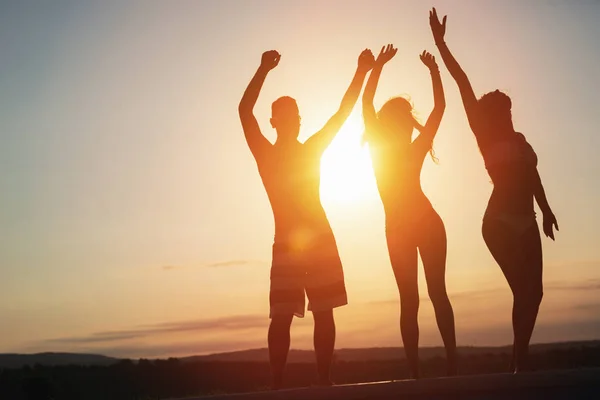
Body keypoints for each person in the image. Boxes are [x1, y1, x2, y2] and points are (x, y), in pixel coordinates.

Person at [429, 7, 559, 373]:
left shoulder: (520, 140)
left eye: (511, 110)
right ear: (493, 113)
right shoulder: (484, 134)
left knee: (535, 295)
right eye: (504, 111)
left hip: (528, 220)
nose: (510, 116)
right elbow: (462, 81)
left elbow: (532, 177)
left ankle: (519, 359)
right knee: (523, 292)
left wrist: (547, 211)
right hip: (498, 222)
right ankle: (520, 364)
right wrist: (441, 43)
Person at [238, 49, 374, 388]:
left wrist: (360, 71)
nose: (292, 120)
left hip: (319, 239)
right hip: (287, 243)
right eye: (285, 115)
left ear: (298, 120)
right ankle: (277, 384)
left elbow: (343, 113)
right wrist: (262, 69)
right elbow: (244, 111)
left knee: (323, 311)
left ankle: (323, 382)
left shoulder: (310, 148)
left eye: (295, 115)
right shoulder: (266, 153)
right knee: (282, 315)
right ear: (275, 122)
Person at [362, 44, 457, 378]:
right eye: (400, 119)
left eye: (406, 120)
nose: (405, 125)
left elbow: (440, 107)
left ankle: (451, 366)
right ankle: (416, 374)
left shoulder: (411, 148)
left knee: (435, 293)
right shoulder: (378, 144)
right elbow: (367, 105)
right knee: (411, 300)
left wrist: (434, 71)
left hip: (424, 223)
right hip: (401, 229)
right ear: (392, 123)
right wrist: (378, 68)